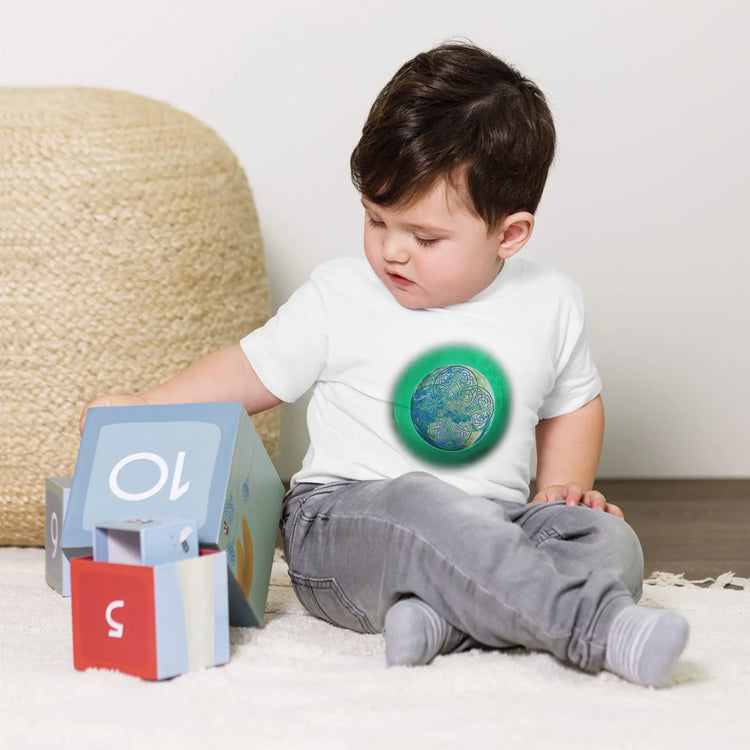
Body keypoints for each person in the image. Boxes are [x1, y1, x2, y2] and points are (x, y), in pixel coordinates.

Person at [81, 42, 689, 687]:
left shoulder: (550, 301)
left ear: (509, 235)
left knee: (608, 542)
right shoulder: (338, 295)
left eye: (425, 238)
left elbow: (573, 402)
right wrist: (146, 408)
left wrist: (559, 490)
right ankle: (589, 627)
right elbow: (247, 371)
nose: (392, 251)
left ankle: (444, 622)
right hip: (345, 524)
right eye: (376, 220)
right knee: (419, 502)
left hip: (496, 524)